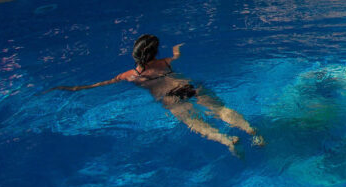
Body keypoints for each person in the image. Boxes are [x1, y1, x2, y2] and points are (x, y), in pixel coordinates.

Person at [52, 34, 262, 154]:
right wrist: (177, 48)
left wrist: (74, 88)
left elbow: (99, 85)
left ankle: (226, 140)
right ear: (155, 53)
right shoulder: (165, 62)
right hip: (188, 87)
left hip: (169, 98)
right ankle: (251, 131)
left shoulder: (128, 75)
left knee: (196, 123)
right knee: (220, 109)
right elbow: (177, 55)